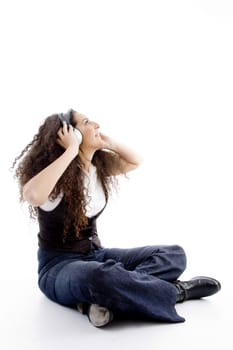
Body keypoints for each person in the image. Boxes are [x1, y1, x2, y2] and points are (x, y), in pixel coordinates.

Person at [12, 109, 221, 327]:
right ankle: (177, 291)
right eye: (86, 122)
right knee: (100, 276)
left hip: (97, 256)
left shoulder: (98, 169)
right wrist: (71, 150)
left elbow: (135, 160)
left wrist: (108, 142)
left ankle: (109, 297)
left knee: (173, 255)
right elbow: (33, 195)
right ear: (70, 132)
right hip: (58, 268)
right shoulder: (56, 176)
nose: (96, 125)